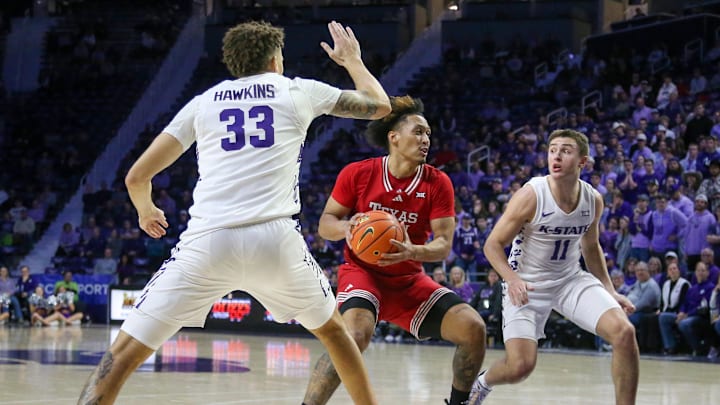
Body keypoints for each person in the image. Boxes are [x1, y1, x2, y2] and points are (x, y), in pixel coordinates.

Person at [78, 20, 391, 405]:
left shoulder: (204, 102)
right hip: (275, 240)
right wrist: (353, 62)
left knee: (121, 356)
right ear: (276, 60)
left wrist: (146, 210)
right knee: (335, 333)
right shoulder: (297, 90)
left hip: (208, 241)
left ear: (234, 65)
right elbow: (379, 106)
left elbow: (136, 176)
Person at [302, 96, 486, 405]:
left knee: (474, 329)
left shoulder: (438, 183)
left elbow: (443, 245)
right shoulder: (358, 173)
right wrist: (348, 228)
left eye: (428, 134)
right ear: (394, 136)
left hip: (408, 280)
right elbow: (325, 223)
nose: (425, 139)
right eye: (418, 131)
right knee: (354, 338)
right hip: (363, 275)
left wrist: (413, 251)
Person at [470, 129, 638, 405]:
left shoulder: (592, 199)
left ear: (582, 162)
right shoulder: (532, 195)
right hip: (527, 284)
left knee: (624, 333)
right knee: (520, 367)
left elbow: (591, 246)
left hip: (569, 280)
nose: (556, 155)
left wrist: (610, 291)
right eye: (552, 149)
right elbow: (492, 244)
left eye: (566, 150)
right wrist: (511, 279)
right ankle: (482, 383)